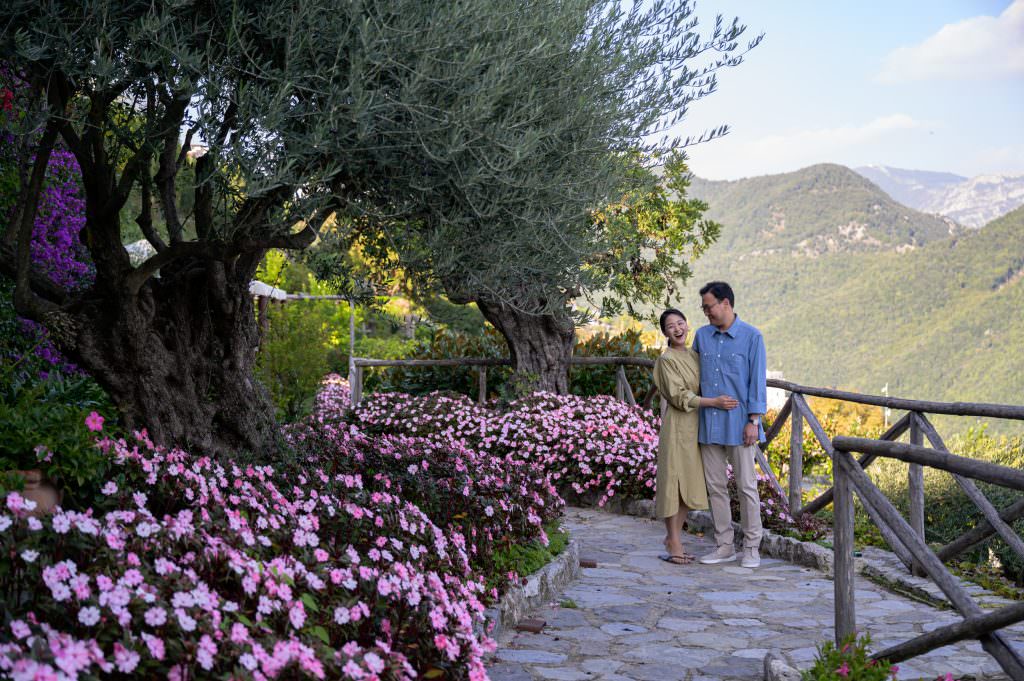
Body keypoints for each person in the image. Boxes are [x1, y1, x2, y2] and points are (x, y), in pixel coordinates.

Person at [653, 309, 738, 565]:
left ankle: (673, 538)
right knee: (675, 484)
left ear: (687, 325)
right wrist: (714, 402)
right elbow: (679, 397)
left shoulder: (694, 355)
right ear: (665, 332)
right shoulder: (666, 360)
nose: (677, 329)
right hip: (679, 426)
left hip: (698, 425)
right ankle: (674, 540)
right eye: (671, 326)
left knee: (690, 484)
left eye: (680, 323)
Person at [692, 282, 767, 569]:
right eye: (704, 308)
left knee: (747, 487)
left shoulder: (752, 337)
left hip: (740, 425)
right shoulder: (701, 337)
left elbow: (756, 381)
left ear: (725, 303)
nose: (706, 312)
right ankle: (724, 545)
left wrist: (753, 421)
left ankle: (751, 547)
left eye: (708, 306)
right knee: (716, 488)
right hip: (709, 424)